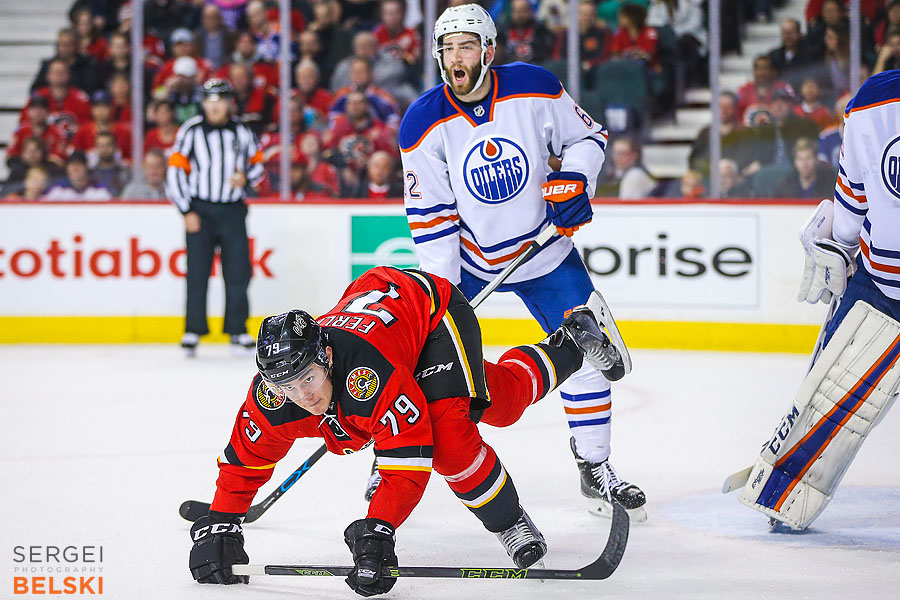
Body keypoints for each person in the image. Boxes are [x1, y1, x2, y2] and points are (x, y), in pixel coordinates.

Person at [187, 265, 628, 593]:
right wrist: (222, 523)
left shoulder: (366, 376)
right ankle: (570, 341)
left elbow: (409, 459)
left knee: (459, 435)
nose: (301, 396)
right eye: (285, 384)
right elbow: (246, 458)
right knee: (455, 404)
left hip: (430, 314)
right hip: (382, 315)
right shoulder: (274, 396)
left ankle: (510, 517)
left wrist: (378, 529)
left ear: (326, 359)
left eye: (307, 379)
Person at [394, 4, 646, 519]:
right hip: (467, 262)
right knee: (421, 360)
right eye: (447, 48)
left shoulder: (534, 86)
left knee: (591, 349)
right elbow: (431, 217)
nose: (454, 58)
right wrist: (442, 300)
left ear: (488, 50)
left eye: (466, 46)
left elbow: (587, 138)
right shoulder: (423, 121)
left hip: (545, 250)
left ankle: (594, 466)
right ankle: (391, 462)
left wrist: (575, 179)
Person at [736, 68, 900, 532]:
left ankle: (786, 498)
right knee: (823, 394)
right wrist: (839, 244)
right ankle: (786, 496)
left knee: (827, 392)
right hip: (879, 283)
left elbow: (855, 201)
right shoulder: (873, 101)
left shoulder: (875, 100)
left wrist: (845, 239)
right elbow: (852, 199)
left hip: (881, 281)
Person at [165, 79, 265, 357]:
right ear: (203, 103)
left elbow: (258, 166)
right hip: (201, 210)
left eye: (221, 99)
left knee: (238, 272)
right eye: (210, 100)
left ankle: (237, 329)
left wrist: (246, 177)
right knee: (197, 271)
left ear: (229, 103)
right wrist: (186, 210)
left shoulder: (242, 131)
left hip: (232, 210)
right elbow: (175, 171)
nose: (216, 105)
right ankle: (193, 329)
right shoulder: (191, 131)